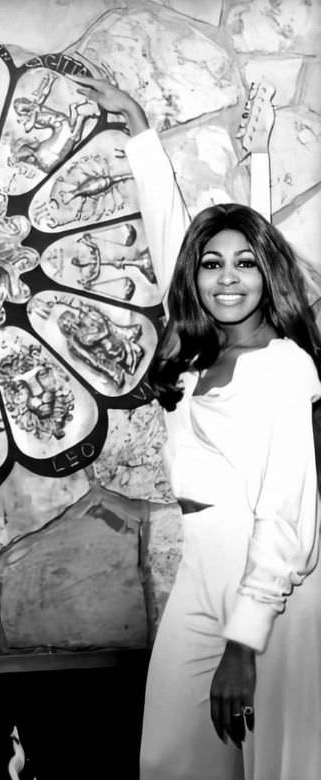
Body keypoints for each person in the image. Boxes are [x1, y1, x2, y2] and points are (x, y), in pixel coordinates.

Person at [70, 75, 321, 780]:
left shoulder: (281, 367)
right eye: (213, 266)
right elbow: (171, 244)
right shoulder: (200, 358)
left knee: (278, 766)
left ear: (268, 275)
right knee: (171, 759)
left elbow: (287, 511)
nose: (226, 278)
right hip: (200, 568)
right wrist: (142, 136)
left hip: (271, 581)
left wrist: (246, 641)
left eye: (246, 263)